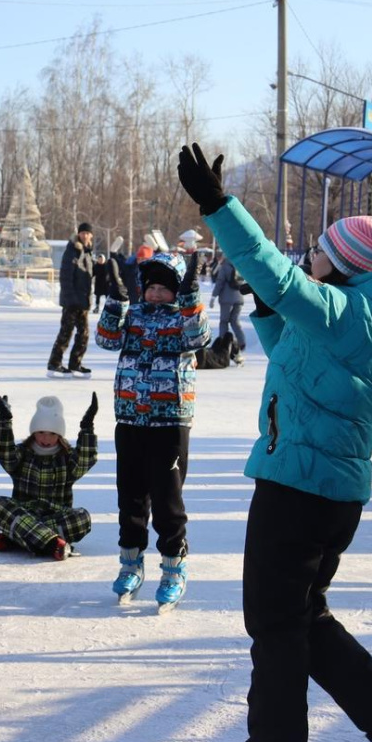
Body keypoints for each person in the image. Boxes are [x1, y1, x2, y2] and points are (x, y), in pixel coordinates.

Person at [178, 142, 372, 742]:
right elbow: (297, 356)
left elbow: (280, 274)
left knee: (275, 622)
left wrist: (219, 207)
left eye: (320, 249)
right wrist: (270, 311)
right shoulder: (363, 314)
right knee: (301, 618)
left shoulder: (353, 315)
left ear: (345, 265)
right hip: (320, 485)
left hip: (301, 488)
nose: (309, 254)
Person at [95, 248, 210, 609]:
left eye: (165, 287)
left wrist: (191, 297)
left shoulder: (183, 318)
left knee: (166, 501)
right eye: (151, 287)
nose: (157, 294)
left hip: (169, 420)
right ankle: (130, 564)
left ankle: (174, 567)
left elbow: (199, 338)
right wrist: (115, 302)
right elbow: (105, 340)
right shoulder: (134, 316)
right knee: (129, 497)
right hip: (129, 418)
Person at [0, 385, 95, 560]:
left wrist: (87, 428)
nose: (46, 439)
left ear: (59, 435)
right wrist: (4, 420)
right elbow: (4, 453)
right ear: (33, 432)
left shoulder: (67, 457)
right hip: (24, 512)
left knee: (82, 518)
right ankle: (53, 543)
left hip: (56, 515)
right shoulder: (23, 453)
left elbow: (85, 460)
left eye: (52, 433)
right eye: (41, 432)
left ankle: (17, 538)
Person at [48, 222, 94, 376]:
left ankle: (75, 363)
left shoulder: (87, 252)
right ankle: (54, 363)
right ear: (79, 234)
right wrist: (71, 298)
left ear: (91, 235)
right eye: (83, 233)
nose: (85, 236)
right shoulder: (72, 250)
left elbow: (87, 276)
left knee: (84, 333)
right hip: (72, 301)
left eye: (88, 233)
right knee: (66, 333)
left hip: (83, 301)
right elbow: (66, 277)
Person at [210, 255, 247, 363]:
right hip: (239, 298)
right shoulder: (240, 265)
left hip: (226, 299)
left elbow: (220, 282)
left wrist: (213, 296)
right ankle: (241, 342)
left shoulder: (225, 266)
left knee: (224, 321)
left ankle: (223, 343)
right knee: (235, 321)